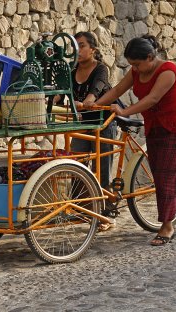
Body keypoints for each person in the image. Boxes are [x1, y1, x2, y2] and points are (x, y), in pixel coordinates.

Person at [86, 35, 176, 245]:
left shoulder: (168, 70)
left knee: (167, 177)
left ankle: (167, 227)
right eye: (132, 65)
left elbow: (152, 99)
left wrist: (124, 111)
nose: (135, 69)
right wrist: (96, 103)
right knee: (163, 174)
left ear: (150, 57)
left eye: (138, 64)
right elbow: (117, 90)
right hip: (155, 128)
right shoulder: (136, 71)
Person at [54, 32, 117, 230]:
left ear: (93, 50)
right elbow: (58, 94)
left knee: (101, 167)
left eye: (81, 46)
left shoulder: (101, 69)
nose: (77, 51)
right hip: (81, 125)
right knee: (77, 163)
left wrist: (87, 101)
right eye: (74, 46)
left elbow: (95, 92)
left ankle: (107, 215)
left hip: (102, 123)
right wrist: (49, 102)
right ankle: (82, 209)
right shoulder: (71, 70)